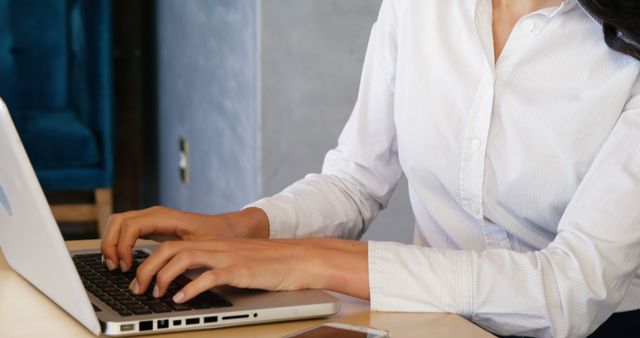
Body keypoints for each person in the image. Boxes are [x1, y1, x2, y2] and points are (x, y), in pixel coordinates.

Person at [100, 0, 640, 337]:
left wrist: (312, 263)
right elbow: (355, 182)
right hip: (430, 321)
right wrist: (240, 227)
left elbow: (572, 288)